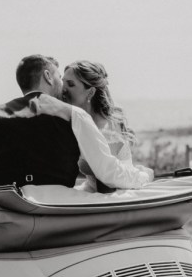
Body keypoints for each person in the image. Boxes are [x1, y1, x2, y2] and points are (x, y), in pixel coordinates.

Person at [0, 54, 152, 190]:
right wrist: (144, 175)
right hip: (56, 209)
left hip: (8, 207)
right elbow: (107, 171)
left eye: (70, 83)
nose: (63, 87)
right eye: (60, 77)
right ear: (48, 76)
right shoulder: (73, 115)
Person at [60, 60, 151, 192]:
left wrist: (145, 175)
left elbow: (108, 182)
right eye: (62, 82)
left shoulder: (106, 129)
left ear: (90, 93)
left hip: (114, 195)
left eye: (70, 84)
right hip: (94, 190)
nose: (63, 89)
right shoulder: (79, 121)